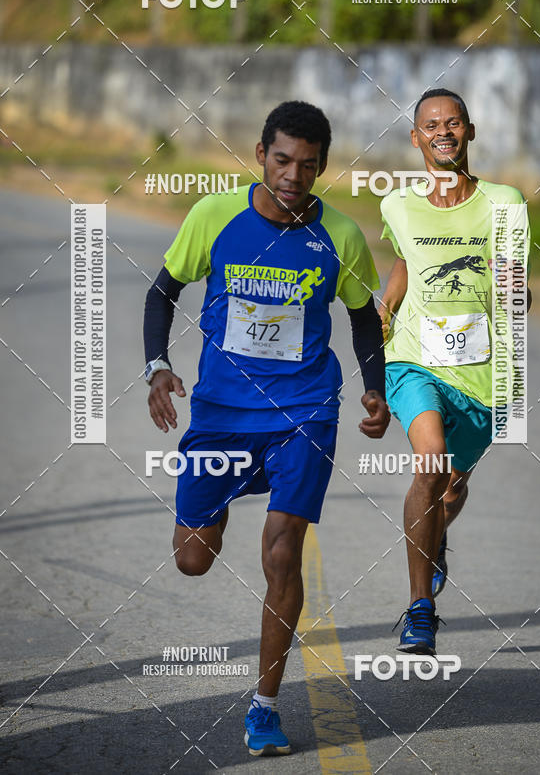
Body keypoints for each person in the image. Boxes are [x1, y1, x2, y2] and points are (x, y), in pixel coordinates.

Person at [143, 100, 390, 755]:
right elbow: (162, 291)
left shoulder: (340, 235)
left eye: (307, 165)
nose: (292, 176)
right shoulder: (214, 215)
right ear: (261, 154)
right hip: (222, 412)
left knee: (283, 550)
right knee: (193, 558)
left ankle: (265, 706)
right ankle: (221, 499)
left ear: (322, 167)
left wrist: (374, 385)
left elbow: (363, 317)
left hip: (305, 409)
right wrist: (157, 366)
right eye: (282, 160)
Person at [378, 88, 531, 655]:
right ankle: (421, 609)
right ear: (416, 137)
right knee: (431, 462)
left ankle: (436, 536)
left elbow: (520, 298)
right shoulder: (397, 204)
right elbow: (406, 260)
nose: (443, 131)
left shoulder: (505, 202)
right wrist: (384, 308)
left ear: (470, 130)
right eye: (431, 124)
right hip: (414, 360)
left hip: (484, 373)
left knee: (452, 485)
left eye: (453, 122)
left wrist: (511, 284)